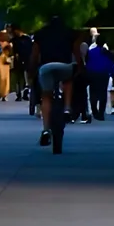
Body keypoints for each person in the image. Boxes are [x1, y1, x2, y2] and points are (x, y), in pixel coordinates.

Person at [33, 14, 77, 145]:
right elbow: (76, 53)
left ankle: (46, 129)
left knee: (46, 96)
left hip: (46, 67)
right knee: (68, 80)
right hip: (65, 66)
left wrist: (32, 70)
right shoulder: (70, 33)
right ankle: (67, 108)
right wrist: (80, 67)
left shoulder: (40, 34)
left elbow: (34, 55)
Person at [85, 36, 114, 121]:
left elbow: (87, 63)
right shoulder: (107, 53)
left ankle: (95, 111)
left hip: (92, 73)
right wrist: (113, 75)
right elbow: (111, 64)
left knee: (93, 93)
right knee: (103, 93)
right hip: (103, 74)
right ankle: (101, 113)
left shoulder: (90, 52)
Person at [11, 26, 36, 105]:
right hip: (18, 61)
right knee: (18, 78)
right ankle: (18, 94)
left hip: (26, 60)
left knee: (26, 78)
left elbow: (31, 49)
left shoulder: (27, 39)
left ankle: (26, 93)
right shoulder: (14, 40)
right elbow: (13, 51)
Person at [0, 29, 13, 102]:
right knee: (1, 77)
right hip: (0, 59)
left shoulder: (8, 42)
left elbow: (11, 53)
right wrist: (2, 47)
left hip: (6, 59)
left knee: (6, 77)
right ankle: (0, 93)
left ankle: (5, 94)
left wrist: (10, 46)